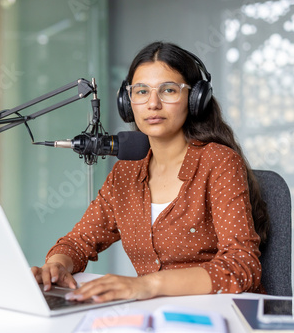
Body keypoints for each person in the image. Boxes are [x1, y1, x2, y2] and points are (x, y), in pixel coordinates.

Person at [31, 41, 269, 303]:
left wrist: (146, 285)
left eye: (168, 90)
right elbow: (78, 242)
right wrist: (57, 265)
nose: (153, 104)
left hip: (221, 314)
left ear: (194, 98)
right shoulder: (127, 172)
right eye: (141, 91)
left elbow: (242, 266)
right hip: (153, 317)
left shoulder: (219, 162)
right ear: (127, 101)